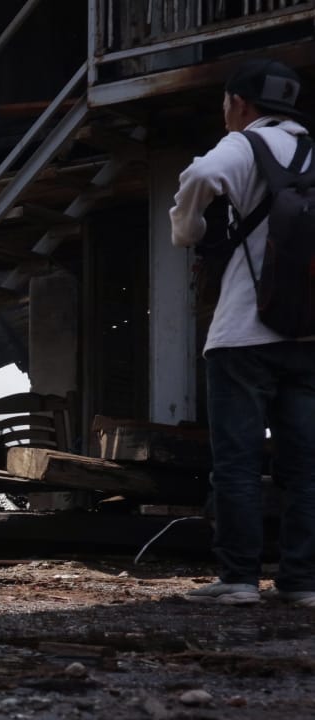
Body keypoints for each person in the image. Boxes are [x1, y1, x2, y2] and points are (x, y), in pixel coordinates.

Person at [170, 59, 315, 607]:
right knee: (305, 467)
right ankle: (302, 582)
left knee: (238, 461)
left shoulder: (246, 145)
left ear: (239, 104)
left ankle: (238, 579)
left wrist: (189, 228)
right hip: (307, 338)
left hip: (243, 336)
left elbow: (201, 178)